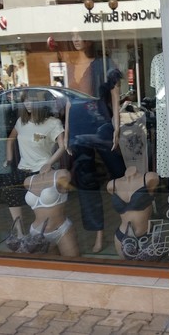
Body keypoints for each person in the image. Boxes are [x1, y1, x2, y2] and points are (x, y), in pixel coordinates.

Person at [0, 91, 64, 250]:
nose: (26, 104)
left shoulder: (53, 123)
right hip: (23, 169)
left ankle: (29, 234)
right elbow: (11, 138)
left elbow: (63, 146)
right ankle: (10, 234)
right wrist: (9, 159)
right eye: (24, 101)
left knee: (14, 190)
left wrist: (49, 163)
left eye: (30, 101)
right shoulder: (21, 121)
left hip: (40, 170)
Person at [64, 68, 126, 253]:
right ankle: (98, 234)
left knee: (120, 176)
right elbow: (69, 105)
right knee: (87, 183)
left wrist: (117, 129)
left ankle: (130, 224)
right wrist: (67, 134)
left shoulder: (105, 72)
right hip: (79, 131)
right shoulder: (73, 75)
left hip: (103, 129)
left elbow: (115, 101)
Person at [23, 165, 78, 256]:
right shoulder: (28, 181)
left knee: (74, 265)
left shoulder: (61, 175)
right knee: (47, 268)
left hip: (61, 230)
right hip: (36, 232)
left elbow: (67, 176)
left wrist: (50, 162)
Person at [106, 166, 159, 260]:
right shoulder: (112, 185)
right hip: (121, 236)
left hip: (147, 234)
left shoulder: (150, 178)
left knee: (150, 271)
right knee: (128, 271)